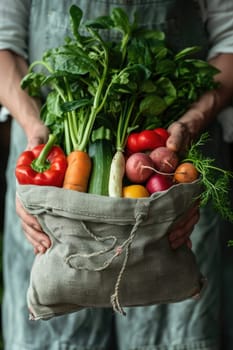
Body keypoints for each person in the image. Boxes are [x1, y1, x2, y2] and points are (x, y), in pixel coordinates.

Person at [0, 1, 233, 350]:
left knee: (176, 335)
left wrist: (192, 120)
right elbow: (5, 43)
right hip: (51, 167)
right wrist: (36, 132)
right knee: (55, 334)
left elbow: (229, 42)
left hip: (173, 175)